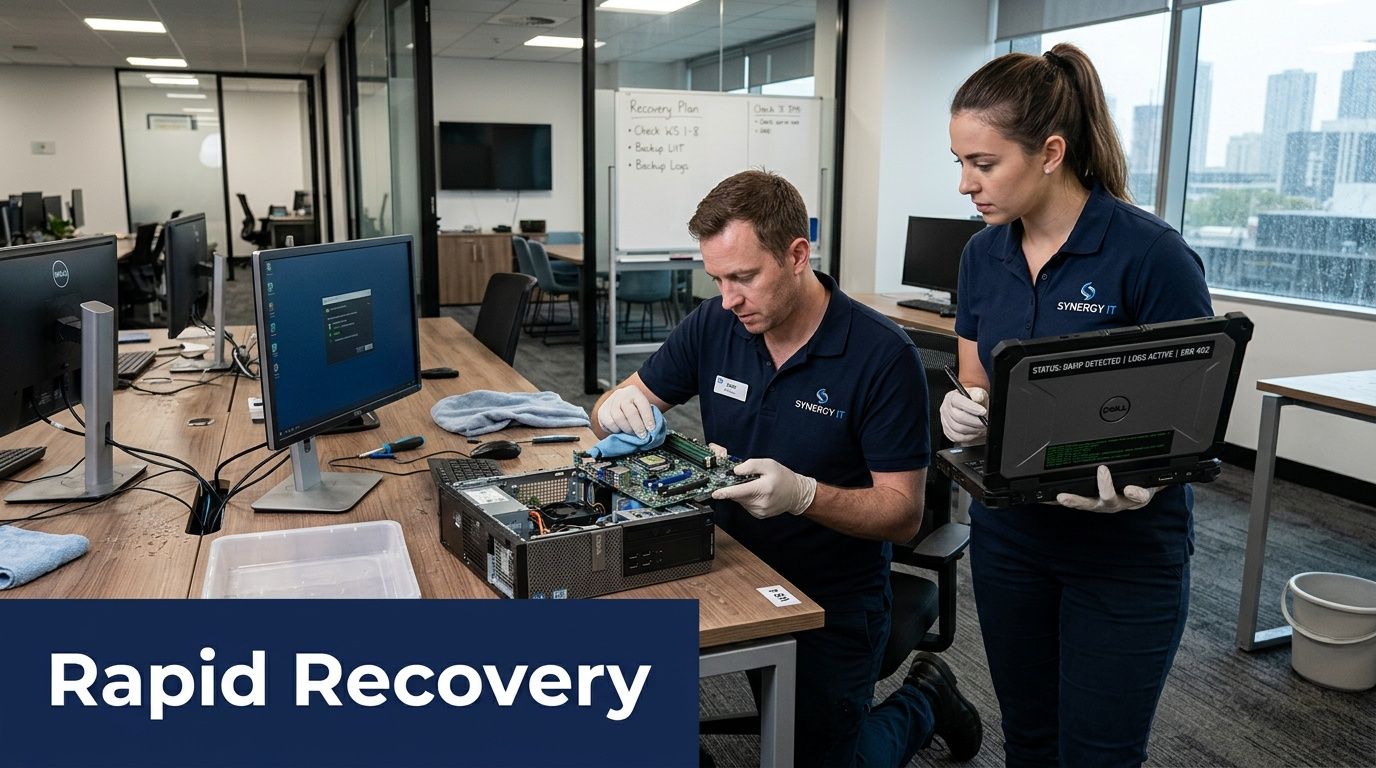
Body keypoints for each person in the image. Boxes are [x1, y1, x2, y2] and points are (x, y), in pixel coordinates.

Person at [592, 170, 982, 767]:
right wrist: (611, 411)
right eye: (717, 279)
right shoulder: (716, 323)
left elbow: (904, 515)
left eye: (744, 277)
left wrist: (803, 495)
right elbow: (618, 403)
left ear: (797, 256)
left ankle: (925, 699)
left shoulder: (881, 356)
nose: (729, 298)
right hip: (726, 563)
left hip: (832, 593)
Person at [942, 43, 1213, 767]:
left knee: (1098, 754)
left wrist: (1150, 478)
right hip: (1011, 538)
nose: (966, 184)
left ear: (1051, 153)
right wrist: (964, 410)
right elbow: (976, 378)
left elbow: (1192, 413)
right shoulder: (982, 254)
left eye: (983, 163)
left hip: (1123, 552)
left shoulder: (1151, 255)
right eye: (960, 163)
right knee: (1029, 741)